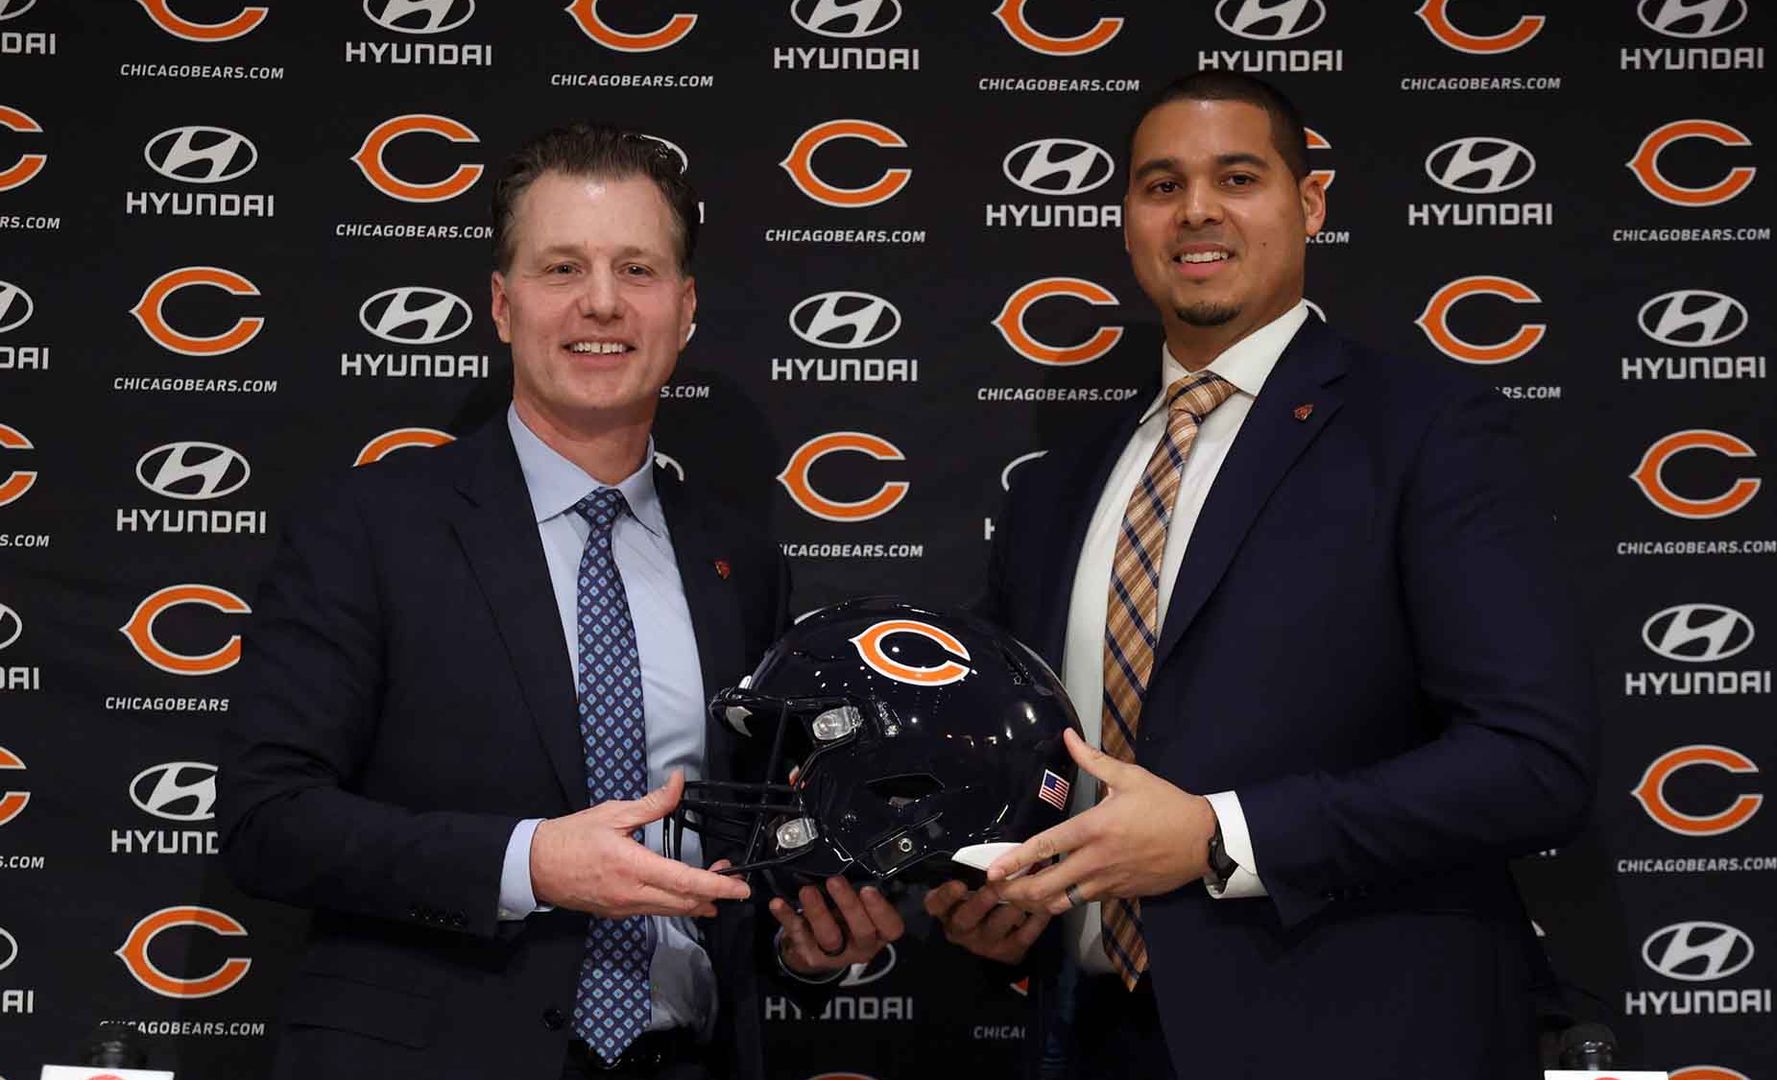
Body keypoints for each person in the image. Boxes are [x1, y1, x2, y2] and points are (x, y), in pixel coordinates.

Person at [926, 72, 1596, 1079]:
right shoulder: (1058, 490)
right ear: (1126, 221)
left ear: (1310, 202)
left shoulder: (1425, 430)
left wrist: (1215, 835)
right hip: (1096, 1041)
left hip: (1362, 1041)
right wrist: (995, 894)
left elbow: (1534, 762)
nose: (1196, 209)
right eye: (1161, 186)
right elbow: (1031, 762)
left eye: (1237, 176)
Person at [219, 124, 900, 1080]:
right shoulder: (369, 525)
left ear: (686, 306)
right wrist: (529, 863)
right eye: (561, 268)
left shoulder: (740, 563)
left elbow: (740, 853)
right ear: (501, 305)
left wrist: (801, 944)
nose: (603, 302)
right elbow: (266, 820)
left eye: (638, 267)